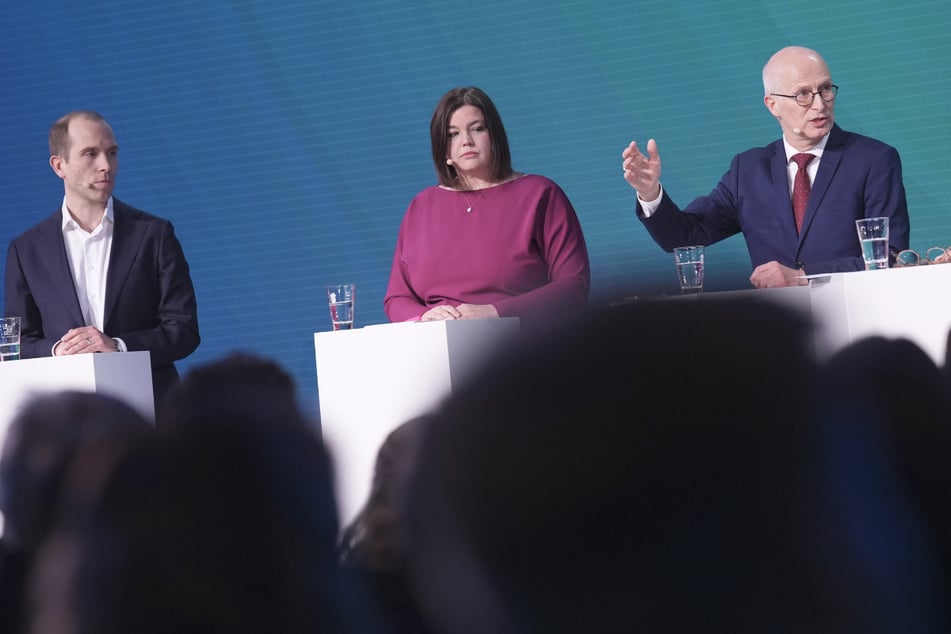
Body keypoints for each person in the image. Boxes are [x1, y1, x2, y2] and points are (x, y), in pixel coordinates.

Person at [621, 46, 910, 289]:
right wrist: (650, 194)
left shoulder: (873, 160)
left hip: (857, 318)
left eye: (825, 90)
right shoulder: (748, 170)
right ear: (772, 105)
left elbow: (890, 255)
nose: (820, 104)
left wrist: (802, 277)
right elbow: (685, 237)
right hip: (780, 335)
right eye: (803, 95)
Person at [4, 110, 200, 411]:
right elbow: (13, 346)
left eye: (112, 153)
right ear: (60, 166)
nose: (106, 165)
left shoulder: (154, 235)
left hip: (151, 414)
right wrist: (58, 349)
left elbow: (183, 330)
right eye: (90, 154)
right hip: (65, 421)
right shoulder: (26, 249)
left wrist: (118, 347)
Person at [384, 87, 590, 331]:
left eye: (477, 128)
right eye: (453, 134)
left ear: (495, 135)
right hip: (434, 347)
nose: (466, 141)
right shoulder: (421, 206)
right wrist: (424, 316)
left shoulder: (541, 194)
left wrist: (495, 312)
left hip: (521, 345)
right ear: (443, 148)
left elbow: (573, 286)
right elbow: (396, 298)